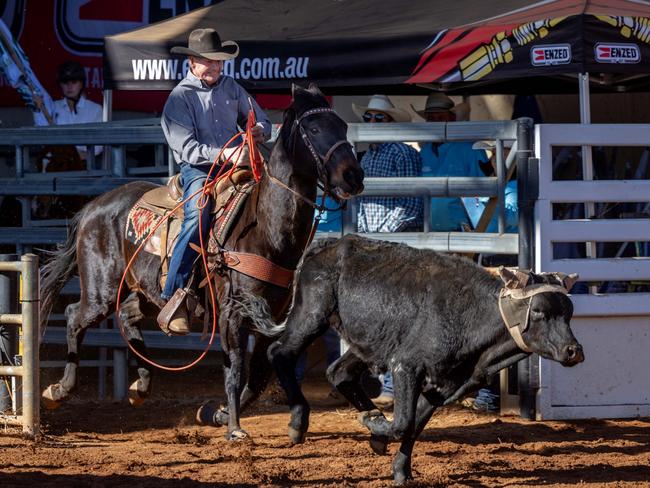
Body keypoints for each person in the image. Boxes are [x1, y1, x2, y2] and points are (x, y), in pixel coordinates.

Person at [159, 28, 271, 334]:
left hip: (235, 164)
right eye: (209, 62)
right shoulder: (180, 98)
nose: (216, 67)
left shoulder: (232, 88)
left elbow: (262, 118)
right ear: (192, 62)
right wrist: (228, 155)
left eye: (219, 62)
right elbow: (187, 149)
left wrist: (259, 129)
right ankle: (175, 293)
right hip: (200, 169)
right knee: (197, 215)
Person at [353, 94, 423, 409]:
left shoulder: (401, 153)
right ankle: (384, 381)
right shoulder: (366, 157)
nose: (372, 123)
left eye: (379, 118)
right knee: (378, 316)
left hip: (393, 244)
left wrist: (380, 239)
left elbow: (410, 204)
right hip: (373, 243)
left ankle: (395, 385)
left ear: (391, 122)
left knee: (396, 315)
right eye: (369, 117)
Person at [414, 92, 489, 231]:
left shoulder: (472, 148)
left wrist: (480, 229)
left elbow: (485, 193)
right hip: (429, 230)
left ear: (453, 119)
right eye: (431, 118)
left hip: (463, 231)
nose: (435, 123)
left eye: (440, 118)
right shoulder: (423, 153)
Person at [35, 60, 103, 161]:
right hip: (56, 168)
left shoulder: (95, 109)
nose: (69, 86)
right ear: (60, 85)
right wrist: (37, 110)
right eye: (65, 82)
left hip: (86, 168)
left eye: (74, 82)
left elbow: (98, 147)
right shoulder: (52, 107)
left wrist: (71, 155)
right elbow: (41, 138)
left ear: (81, 84)